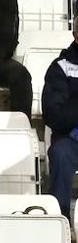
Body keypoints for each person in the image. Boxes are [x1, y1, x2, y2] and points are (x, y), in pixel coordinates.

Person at [42, 25, 78, 217]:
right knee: (60, 154)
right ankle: (60, 220)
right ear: (76, 34)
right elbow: (54, 115)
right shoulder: (61, 67)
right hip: (71, 141)